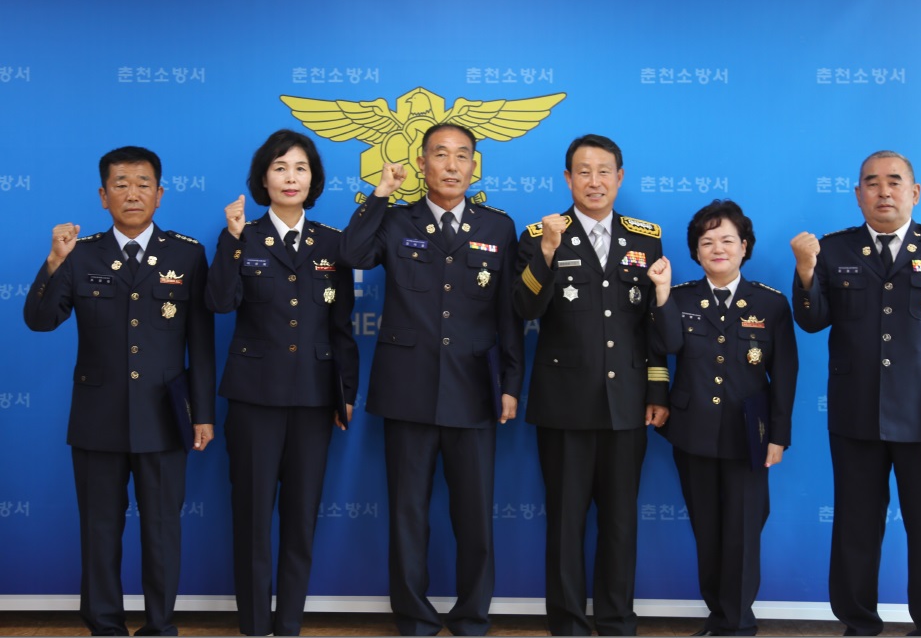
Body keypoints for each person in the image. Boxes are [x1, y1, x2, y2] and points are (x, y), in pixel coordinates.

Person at [791, 150, 921, 636]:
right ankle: (859, 624)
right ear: (858, 194)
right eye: (872, 183)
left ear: (914, 192)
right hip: (856, 410)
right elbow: (813, 321)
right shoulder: (834, 249)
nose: (883, 191)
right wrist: (805, 270)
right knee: (856, 528)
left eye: (894, 181)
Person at [339, 122, 524, 636]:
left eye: (462, 155)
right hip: (408, 389)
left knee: (475, 516)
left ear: (474, 167)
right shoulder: (397, 219)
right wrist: (381, 193)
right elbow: (351, 254)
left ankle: (471, 617)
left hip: (475, 388)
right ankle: (415, 618)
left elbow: (508, 314)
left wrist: (511, 382)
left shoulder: (497, 227)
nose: (451, 165)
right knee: (407, 514)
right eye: (440, 154)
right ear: (421, 163)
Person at [23, 146, 215, 636]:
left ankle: (159, 626)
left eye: (143, 184)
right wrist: (53, 261)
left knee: (163, 530)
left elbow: (201, 343)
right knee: (100, 530)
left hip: (164, 417)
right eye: (121, 184)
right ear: (103, 195)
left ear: (160, 194)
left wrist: (202, 414)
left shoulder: (187, 253)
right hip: (97, 418)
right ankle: (104, 625)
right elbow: (40, 321)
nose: (133, 193)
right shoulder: (80, 252)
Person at [512, 133, 669, 636]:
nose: (594, 181)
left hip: (627, 402)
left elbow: (653, 323)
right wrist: (547, 252)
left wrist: (657, 390)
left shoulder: (646, 238)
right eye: (583, 171)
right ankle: (568, 624)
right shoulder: (540, 233)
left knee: (621, 522)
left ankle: (617, 620)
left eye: (604, 171)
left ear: (620, 178)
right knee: (565, 522)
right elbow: (524, 308)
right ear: (567, 178)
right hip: (564, 404)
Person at [205, 129, 359, 636]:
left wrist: (346, 392)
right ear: (263, 179)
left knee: (301, 518)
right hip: (254, 397)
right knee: (252, 518)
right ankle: (254, 625)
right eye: (280, 168)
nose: (290, 177)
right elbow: (219, 302)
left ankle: (289, 623)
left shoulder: (332, 242)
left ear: (313, 179)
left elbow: (342, 327)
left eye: (300, 168)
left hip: (315, 398)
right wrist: (231, 241)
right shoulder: (241, 236)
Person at [647, 199, 798, 636]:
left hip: (749, 435)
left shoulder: (770, 303)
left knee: (744, 532)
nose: (718, 249)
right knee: (707, 531)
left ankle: (738, 622)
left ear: (744, 246)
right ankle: (719, 616)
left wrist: (779, 436)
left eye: (728, 240)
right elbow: (665, 346)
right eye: (707, 241)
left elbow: (785, 375)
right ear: (695, 251)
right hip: (692, 432)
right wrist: (661, 293)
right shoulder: (678, 297)